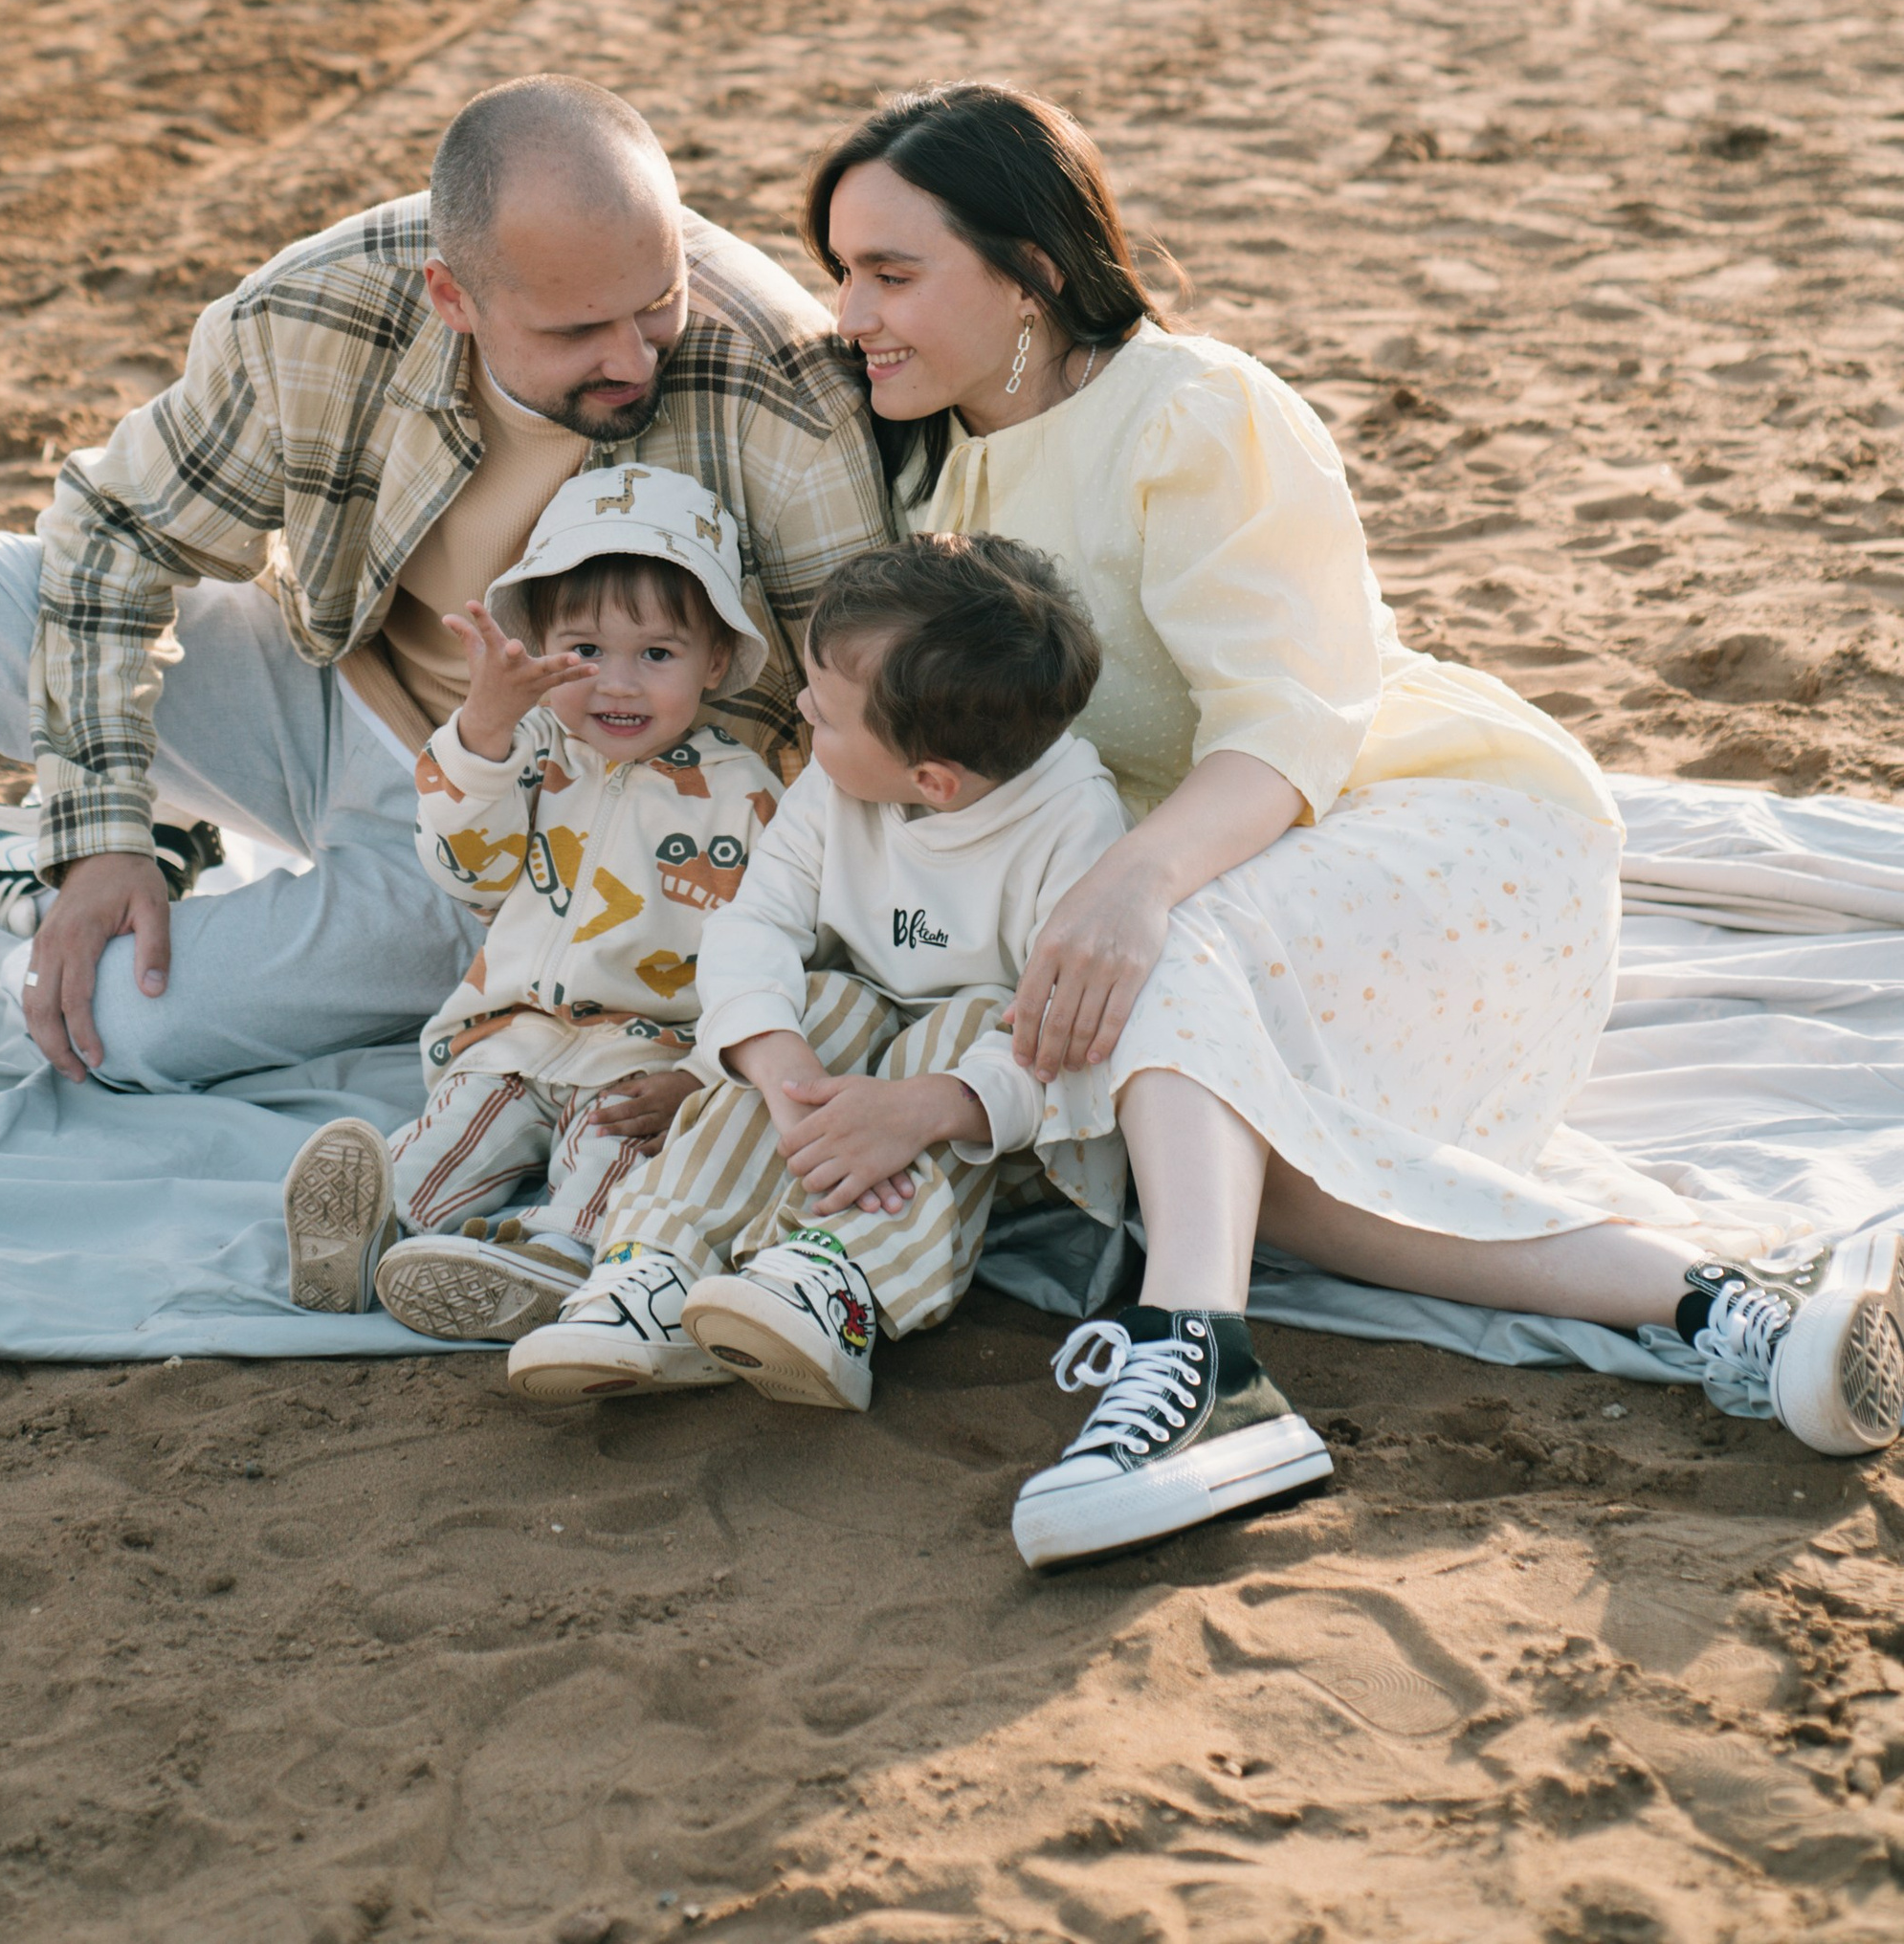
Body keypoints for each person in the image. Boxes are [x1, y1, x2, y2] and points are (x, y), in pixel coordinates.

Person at [800, 81, 1904, 1568]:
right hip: (1241, 886)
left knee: (1157, 954)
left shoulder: (1195, 407)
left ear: (1030, 272)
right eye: (838, 269)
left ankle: (1200, 1360)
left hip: (1434, 825)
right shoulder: (943, 461)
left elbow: (1292, 723)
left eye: (891, 270)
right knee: (1284, 1186)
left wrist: (1133, 880)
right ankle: (1729, 1309)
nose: (852, 310)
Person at [0, 78, 891, 1131]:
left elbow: (847, 716)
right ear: (453, 293)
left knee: (120, 1026)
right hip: (328, 696)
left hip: (542, 838)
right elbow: (114, 535)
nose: (636, 352)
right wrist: (103, 830)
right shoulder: (325, 310)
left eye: (656, 302)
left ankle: (33, 875)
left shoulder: (773, 375)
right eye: (578, 330)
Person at [508, 539, 1194, 1437]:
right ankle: (655, 1269)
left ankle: (835, 1282)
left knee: (974, 1017)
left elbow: (1060, 1042)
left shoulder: (1073, 826)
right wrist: (780, 1065)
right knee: (818, 1003)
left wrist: (922, 1108)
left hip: (989, 1119)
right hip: (854, 1073)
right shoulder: (837, 786)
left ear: (932, 781)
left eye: (825, 715)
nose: (800, 713)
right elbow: (753, 925)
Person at [280, 464, 781, 1346]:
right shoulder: (527, 751)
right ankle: (375, 1231)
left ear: (714, 661)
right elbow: (467, 868)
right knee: (458, 1129)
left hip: (646, 1048)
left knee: (616, 1148)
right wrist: (481, 734)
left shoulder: (743, 793)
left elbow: (766, 958)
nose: (615, 684)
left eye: (655, 654)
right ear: (542, 644)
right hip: (507, 1031)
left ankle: (557, 1256)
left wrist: (700, 1079)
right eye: (584, 651)